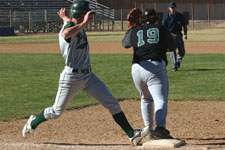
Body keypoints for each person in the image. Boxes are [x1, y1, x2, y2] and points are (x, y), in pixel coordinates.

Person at [22, 0, 149, 146]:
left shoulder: (73, 23)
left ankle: (132, 135)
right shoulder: (71, 27)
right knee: (56, 111)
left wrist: (65, 17)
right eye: (87, 14)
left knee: (112, 103)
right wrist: (82, 23)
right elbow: (66, 34)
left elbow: (69, 23)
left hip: (88, 76)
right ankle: (33, 121)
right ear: (81, 15)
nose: (90, 17)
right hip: (71, 77)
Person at [122, 8, 176, 139]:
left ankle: (149, 130)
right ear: (156, 18)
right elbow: (173, 46)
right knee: (160, 99)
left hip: (137, 68)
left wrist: (131, 28)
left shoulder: (135, 30)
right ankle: (161, 129)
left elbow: (125, 44)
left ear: (142, 20)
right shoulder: (161, 28)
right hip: (155, 67)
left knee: (146, 98)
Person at [163, 1, 188, 72]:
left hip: (179, 34)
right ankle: (174, 67)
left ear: (176, 8)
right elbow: (163, 28)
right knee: (172, 51)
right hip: (170, 35)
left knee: (182, 52)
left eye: (174, 7)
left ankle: (178, 62)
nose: (173, 9)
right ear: (169, 8)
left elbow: (184, 25)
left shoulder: (180, 16)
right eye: (171, 8)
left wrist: (185, 34)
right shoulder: (166, 18)